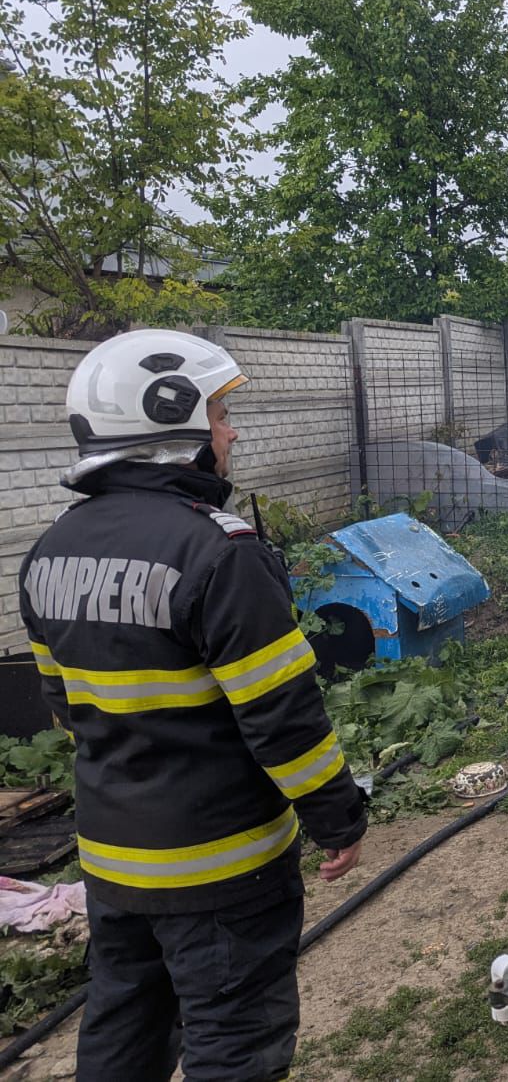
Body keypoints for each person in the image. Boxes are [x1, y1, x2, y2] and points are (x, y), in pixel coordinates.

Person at [19, 329, 368, 1081]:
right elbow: (284, 718)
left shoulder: (49, 552)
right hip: (222, 870)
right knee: (233, 1046)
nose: (230, 432)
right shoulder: (219, 553)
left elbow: (65, 706)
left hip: (112, 862)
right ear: (172, 423)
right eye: (219, 415)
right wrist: (338, 817)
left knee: (124, 1031)